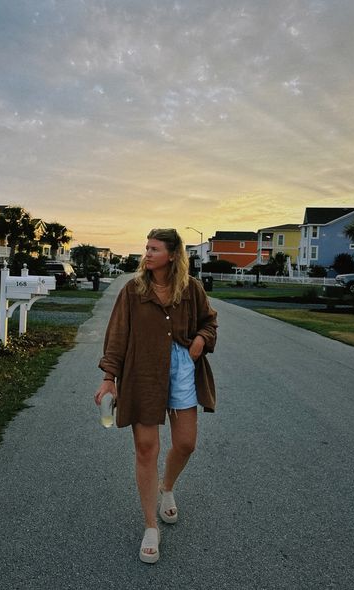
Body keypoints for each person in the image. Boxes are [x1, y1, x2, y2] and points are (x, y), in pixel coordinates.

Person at [94, 228, 218, 564]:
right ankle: (151, 526)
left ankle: (167, 487)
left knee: (186, 443)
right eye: (146, 248)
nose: (147, 254)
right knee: (147, 448)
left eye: (154, 249)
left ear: (173, 255)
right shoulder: (133, 290)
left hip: (181, 370)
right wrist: (109, 379)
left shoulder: (191, 289)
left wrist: (200, 341)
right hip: (143, 372)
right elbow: (118, 335)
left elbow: (210, 321)